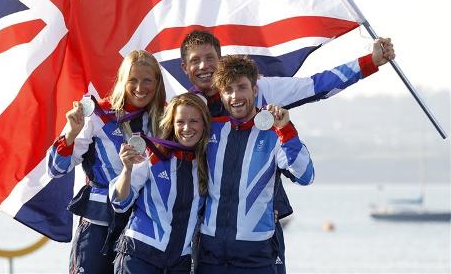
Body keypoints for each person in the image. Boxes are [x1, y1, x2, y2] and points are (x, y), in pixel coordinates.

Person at [180, 30, 395, 272]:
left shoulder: (266, 89)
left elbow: (317, 85)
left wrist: (370, 61)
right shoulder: (189, 109)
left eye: (210, 58)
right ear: (185, 68)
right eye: (195, 61)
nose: (204, 66)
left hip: (259, 232)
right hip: (212, 242)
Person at [46, 50, 166, 274]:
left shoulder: (164, 119)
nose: (140, 88)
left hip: (142, 228)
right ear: (122, 81)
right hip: (98, 223)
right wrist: (71, 133)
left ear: (157, 83)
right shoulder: (98, 114)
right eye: (133, 80)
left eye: (147, 80)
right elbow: (55, 169)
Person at [197, 55, 313, 273]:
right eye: (228, 90)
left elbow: (306, 175)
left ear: (255, 89)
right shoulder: (210, 130)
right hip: (210, 255)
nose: (235, 96)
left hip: (256, 256)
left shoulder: (274, 131)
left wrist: (286, 131)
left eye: (242, 87)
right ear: (221, 95)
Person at [110, 93, 211, 273]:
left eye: (194, 121)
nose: (187, 128)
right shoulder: (153, 154)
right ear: (172, 124)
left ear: (204, 123)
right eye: (180, 122)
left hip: (180, 261)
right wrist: (127, 169)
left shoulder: (208, 161)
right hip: (139, 254)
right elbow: (120, 203)